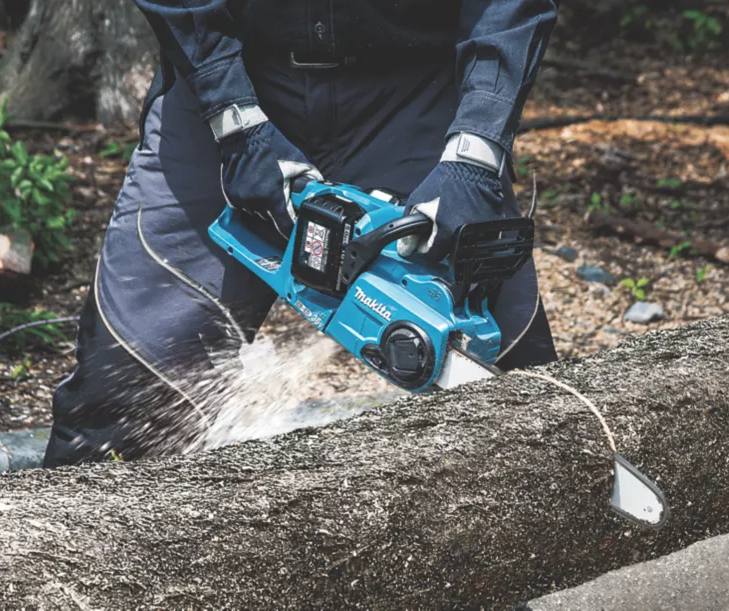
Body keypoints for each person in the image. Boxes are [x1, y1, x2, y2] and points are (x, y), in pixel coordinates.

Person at [43, 0, 560, 467]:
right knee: (125, 395)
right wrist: (233, 118)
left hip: (420, 95)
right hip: (226, 79)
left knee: (515, 397)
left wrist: (476, 152)